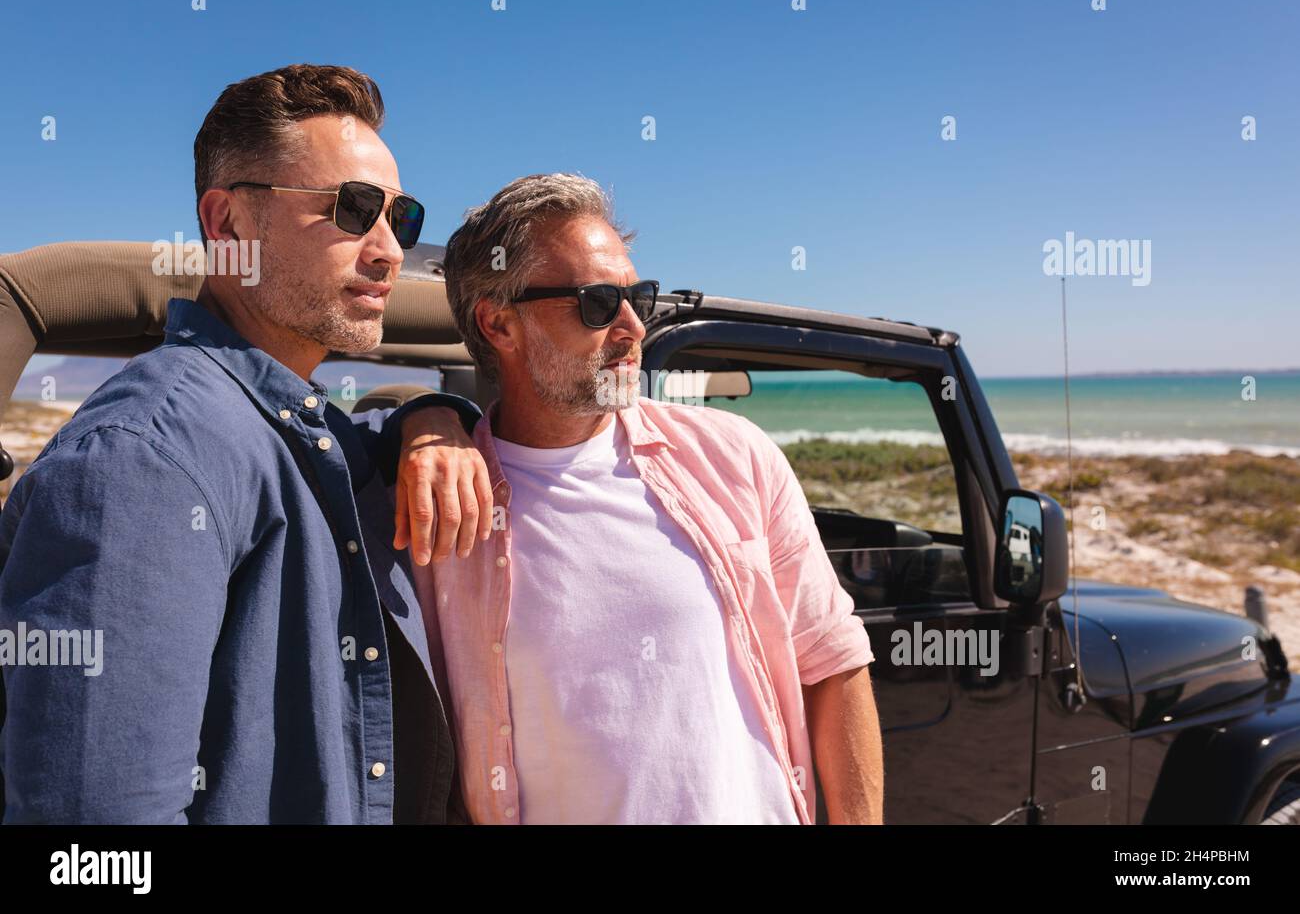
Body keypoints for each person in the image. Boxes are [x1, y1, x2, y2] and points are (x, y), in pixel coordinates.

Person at [0, 64, 486, 823]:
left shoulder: (296, 428)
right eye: (355, 210)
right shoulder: (145, 462)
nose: (391, 250)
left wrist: (429, 417)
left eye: (404, 217)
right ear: (228, 225)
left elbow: (355, 432)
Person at [416, 172, 884, 824]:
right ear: (499, 323)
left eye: (639, 296)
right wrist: (423, 419)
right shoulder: (439, 511)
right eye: (598, 303)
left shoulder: (735, 458)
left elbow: (833, 661)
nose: (634, 326)